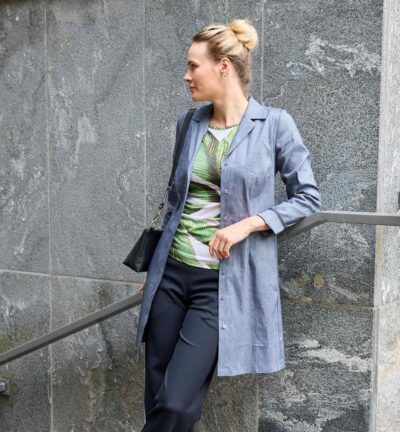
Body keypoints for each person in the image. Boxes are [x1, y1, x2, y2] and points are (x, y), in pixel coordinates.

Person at [137, 18, 321, 432]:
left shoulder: (274, 124)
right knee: (158, 398)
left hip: (221, 283)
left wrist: (249, 224)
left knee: (176, 403)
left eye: (193, 66)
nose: (186, 76)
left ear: (223, 67)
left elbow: (308, 197)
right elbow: (176, 203)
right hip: (170, 275)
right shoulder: (189, 123)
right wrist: (156, 268)